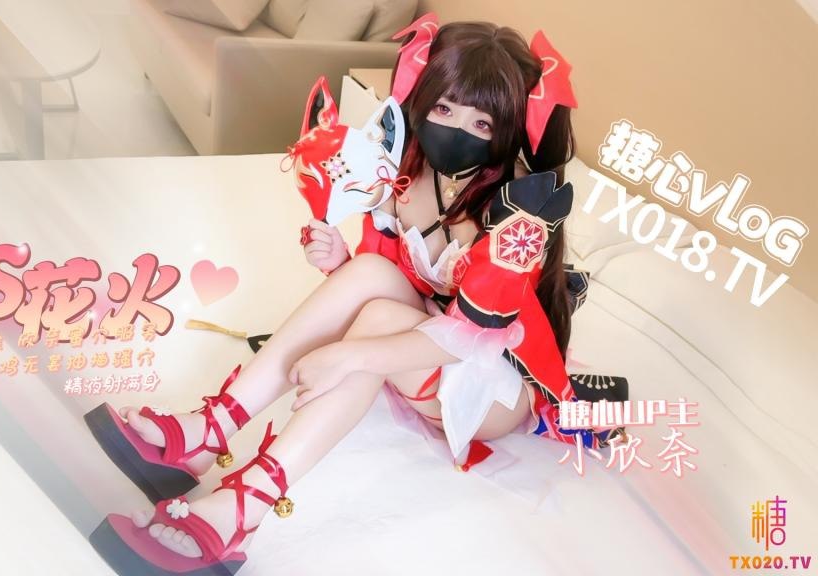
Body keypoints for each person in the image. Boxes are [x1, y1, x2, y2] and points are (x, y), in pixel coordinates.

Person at [86, 19, 604, 576]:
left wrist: (348, 354)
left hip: (492, 382)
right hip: (427, 331)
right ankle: (210, 429)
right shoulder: (411, 164)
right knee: (370, 275)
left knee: (377, 317)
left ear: (507, 131)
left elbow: (467, 339)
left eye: (482, 122)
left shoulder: (516, 215)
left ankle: (246, 506)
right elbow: (394, 272)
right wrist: (339, 263)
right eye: (444, 108)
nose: (458, 129)